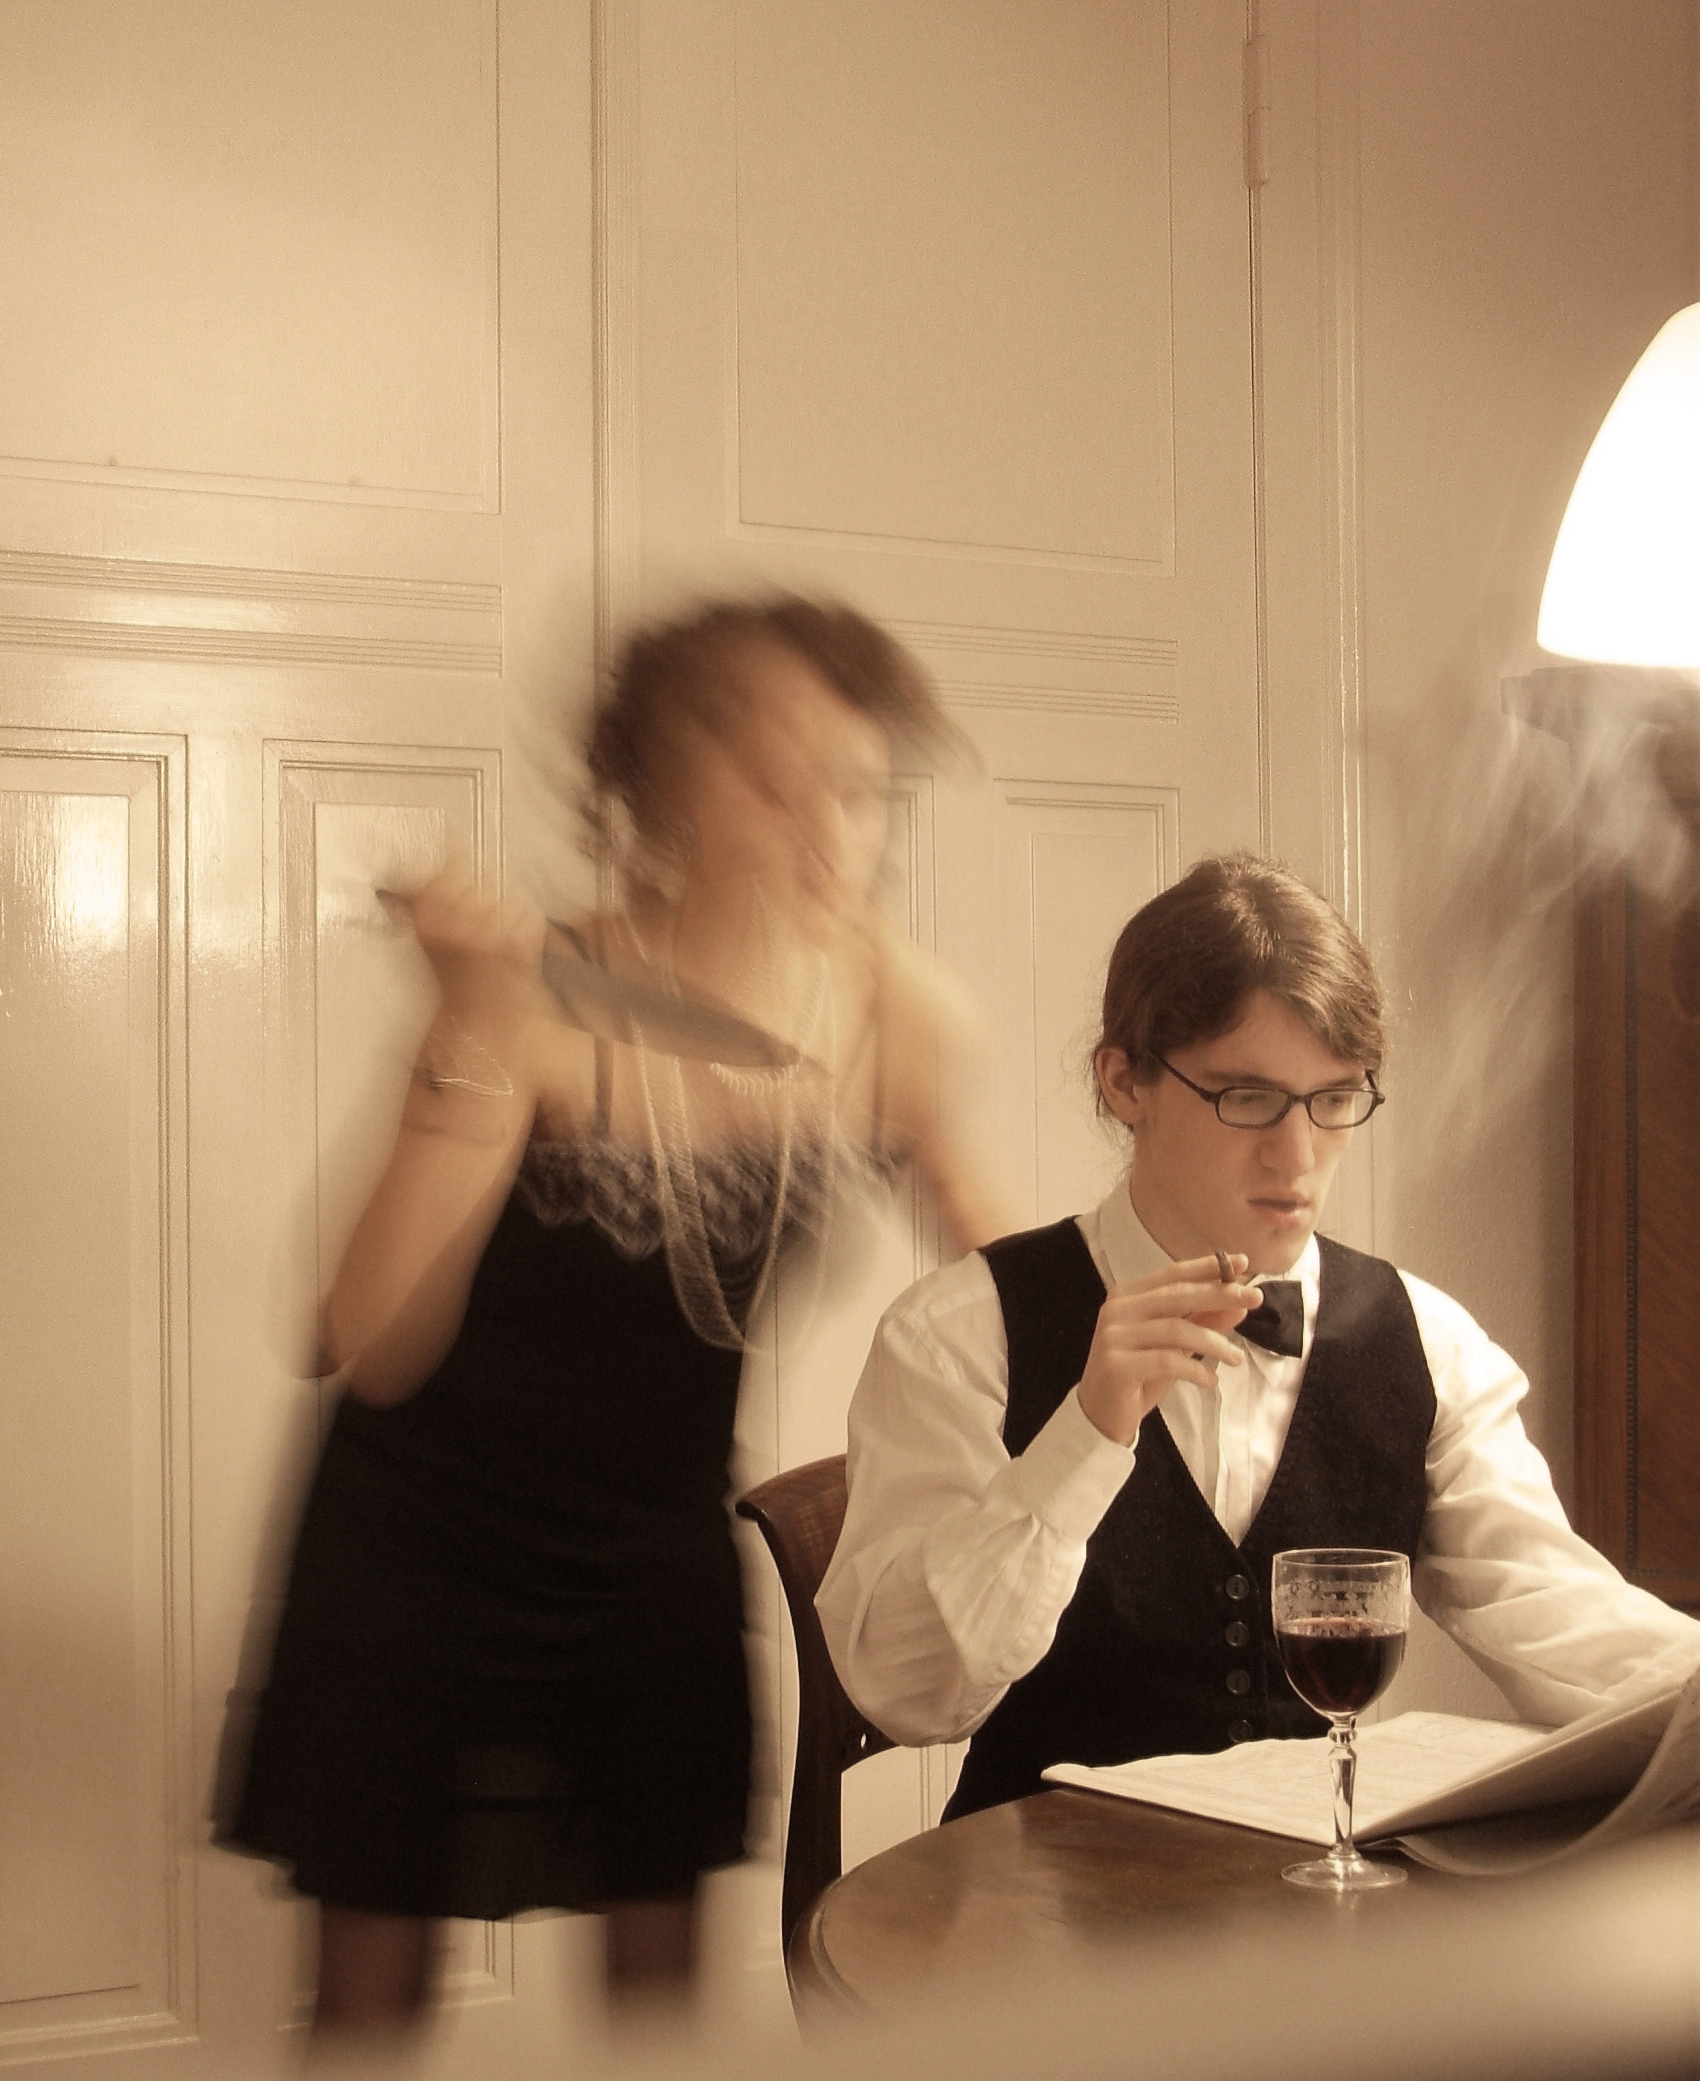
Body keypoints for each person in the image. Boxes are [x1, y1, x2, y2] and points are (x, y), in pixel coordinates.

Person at [220, 595, 1013, 2037]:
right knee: (367, 2015)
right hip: (415, 1557)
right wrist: (471, 1023)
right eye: (774, 783)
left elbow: (1013, 1283)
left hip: (652, 1561)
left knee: (658, 2011)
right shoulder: (531, 995)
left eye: (856, 790)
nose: (826, 831)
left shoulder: (894, 1011)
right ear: (657, 790)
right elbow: (358, 1338)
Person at [817, 853, 1700, 1819]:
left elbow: (1555, 1610)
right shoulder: (955, 1336)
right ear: (1125, 1081)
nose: (1298, 1155)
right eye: (1247, 1099)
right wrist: (1084, 1438)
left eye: (1335, 1099)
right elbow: (906, 1693)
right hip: (1032, 1891)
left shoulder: (1430, 1343)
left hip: (1320, 1892)